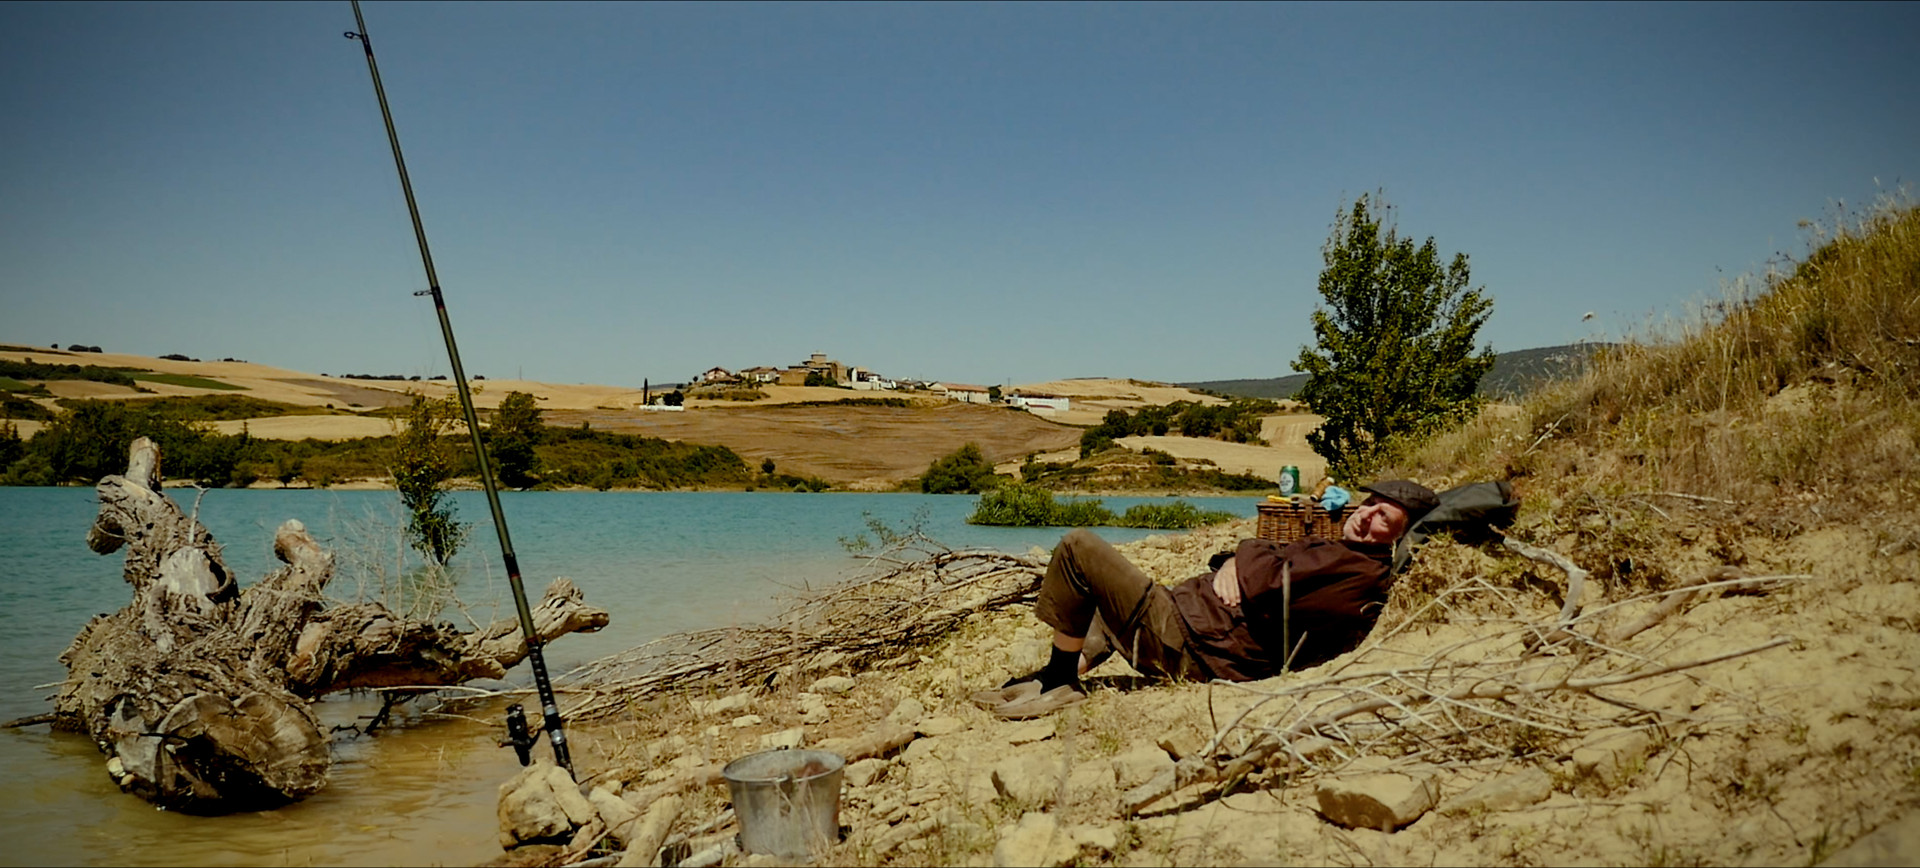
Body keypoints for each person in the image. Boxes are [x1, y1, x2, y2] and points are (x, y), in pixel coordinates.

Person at [977, 480, 1440, 719]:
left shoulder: (1354, 572)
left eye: (1384, 518)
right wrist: (1236, 560)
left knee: (1080, 547)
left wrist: (1242, 558)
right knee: (1096, 595)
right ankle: (1053, 676)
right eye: (1370, 504)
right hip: (1190, 624)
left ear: (1398, 536)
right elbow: (1267, 559)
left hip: (1191, 644)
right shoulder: (1346, 552)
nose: (1366, 516)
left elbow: (1265, 577)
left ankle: (1060, 682)